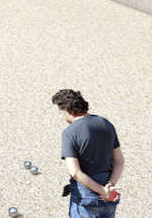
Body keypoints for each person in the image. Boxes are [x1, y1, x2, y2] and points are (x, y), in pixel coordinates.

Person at [53, 88, 124, 216]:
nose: (61, 118)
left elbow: (75, 172)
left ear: (67, 110)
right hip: (109, 195)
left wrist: (102, 191)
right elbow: (119, 161)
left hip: (85, 197)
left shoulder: (70, 132)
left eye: (60, 113)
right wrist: (110, 185)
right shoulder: (106, 124)